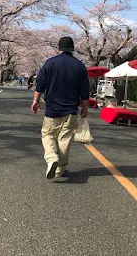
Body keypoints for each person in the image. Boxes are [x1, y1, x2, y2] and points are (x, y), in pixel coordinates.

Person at [31, 37, 90, 179]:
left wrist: (36, 101)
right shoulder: (79, 66)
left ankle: (51, 158)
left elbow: (40, 83)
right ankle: (60, 169)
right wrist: (85, 107)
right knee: (65, 139)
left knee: (48, 134)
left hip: (52, 109)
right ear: (73, 48)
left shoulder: (50, 63)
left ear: (59, 48)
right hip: (71, 110)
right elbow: (85, 89)